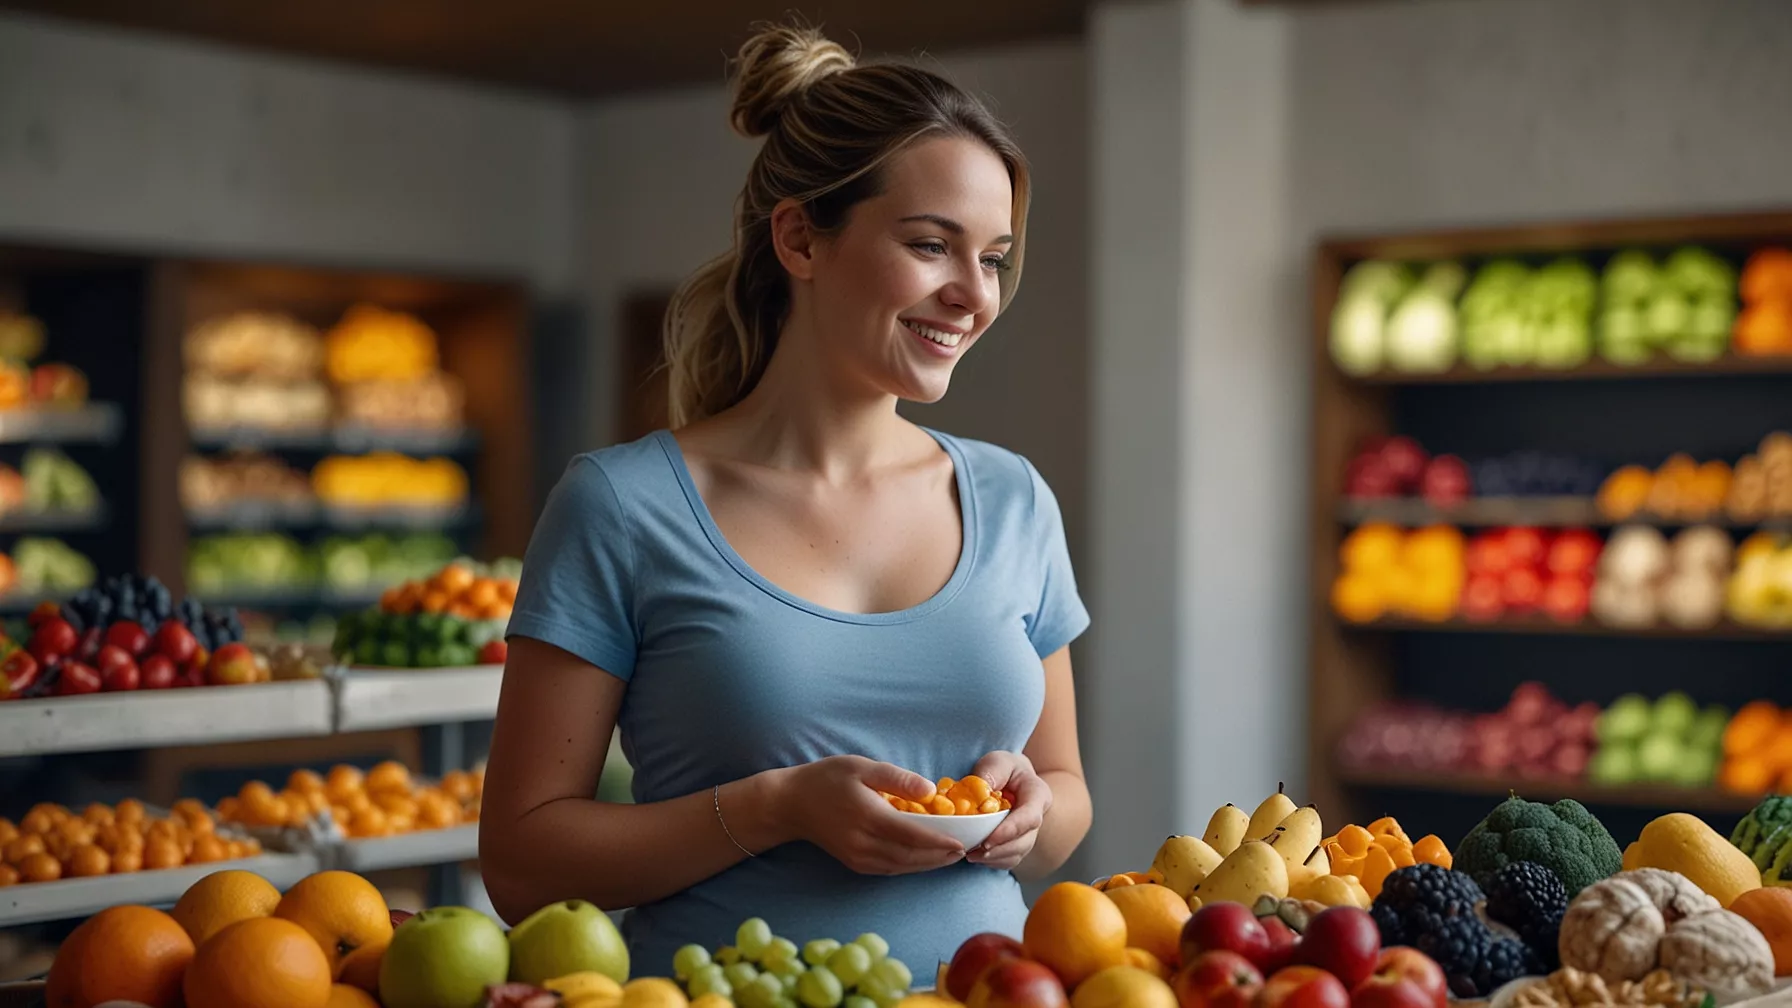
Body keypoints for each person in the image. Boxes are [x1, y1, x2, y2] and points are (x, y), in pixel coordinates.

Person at [479, 20, 1092, 976]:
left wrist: (1032, 813)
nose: (974, 295)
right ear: (801, 238)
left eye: (996, 258)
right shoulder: (621, 506)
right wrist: (774, 809)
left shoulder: (1012, 500)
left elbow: (1065, 795)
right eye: (933, 245)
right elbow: (520, 864)